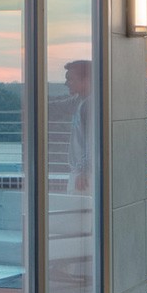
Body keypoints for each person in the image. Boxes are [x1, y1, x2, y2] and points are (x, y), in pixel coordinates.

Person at [63, 59, 94, 193]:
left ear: (86, 80)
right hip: (81, 173)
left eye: (70, 79)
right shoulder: (82, 101)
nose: (66, 83)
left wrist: (84, 170)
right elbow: (59, 106)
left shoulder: (89, 105)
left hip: (84, 177)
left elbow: (93, 142)